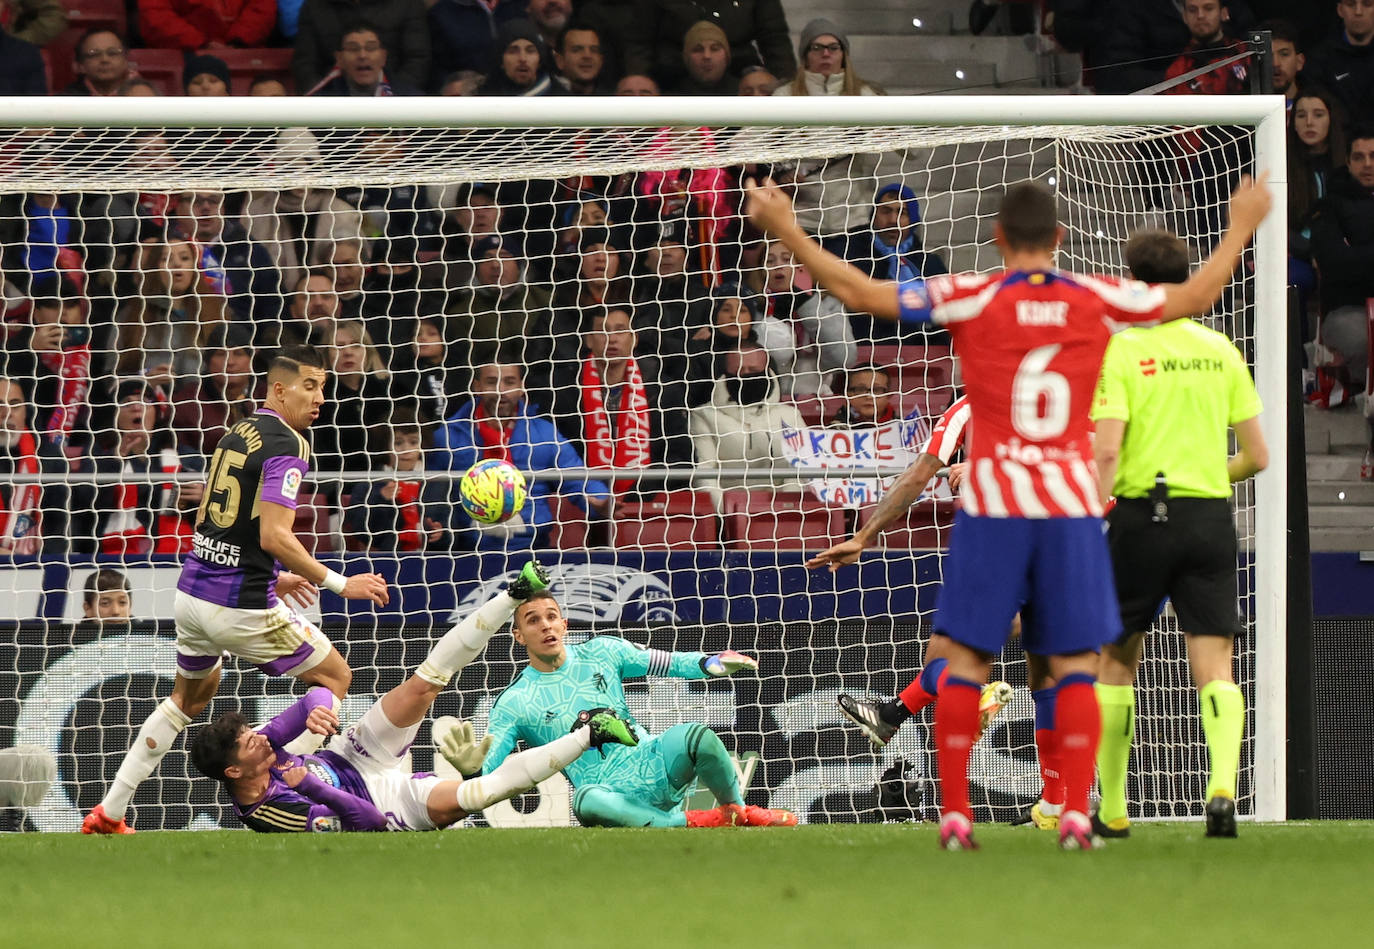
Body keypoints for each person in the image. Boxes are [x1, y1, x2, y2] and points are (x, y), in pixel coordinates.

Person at [744, 170, 1273, 850]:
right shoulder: (1095, 295)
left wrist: (788, 229)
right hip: (1068, 506)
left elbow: (859, 291)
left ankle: (958, 812)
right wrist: (1242, 224)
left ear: (996, 238)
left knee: (963, 658)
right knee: (1076, 662)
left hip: (995, 505)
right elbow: (1197, 294)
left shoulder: (971, 293)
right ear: (1059, 237)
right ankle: (1077, 811)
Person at [82, 347, 391, 835]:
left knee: (188, 700)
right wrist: (338, 582)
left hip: (191, 594)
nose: (320, 398)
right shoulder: (291, 444)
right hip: (238, 605)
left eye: (324, 387)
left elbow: (214, 518)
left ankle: (109, 813)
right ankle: (283, 780)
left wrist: (272, 574)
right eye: (309, 386)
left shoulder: (237, 432)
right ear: (279, 389)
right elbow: (274, 536)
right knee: (334, 678)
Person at [190, 563, 641, 832]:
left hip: (352, 753)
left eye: (256, 734)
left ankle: (512, 594)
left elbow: (321, 692)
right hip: (387, 801)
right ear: (235, 771)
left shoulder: (266, 746)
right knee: (478, 793)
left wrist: (320, 712)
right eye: (252, 743)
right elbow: (364, 822)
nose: (264, 740)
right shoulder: (271, 811)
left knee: (425, 682)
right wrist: (308, 784)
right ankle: (589, 734)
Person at [1090, 230, 1269, 840]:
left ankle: (1112, 808)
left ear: (1135, 285)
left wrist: (1090, 508)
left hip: (1142, 516)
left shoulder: (1124, 351)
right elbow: (1259, 455)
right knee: (1215, 661)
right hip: (1209, 519)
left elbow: (1108, 448)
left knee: (1115, 660)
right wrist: (1204, 476)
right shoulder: (1221, 349)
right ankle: (1222, 789)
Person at [814, 390, 1059, 830]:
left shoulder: (977, 405)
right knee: (1046, 671)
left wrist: (866, 535)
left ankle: (925, 738)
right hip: (1069, 541)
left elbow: (919, 474)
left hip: (1008, 540)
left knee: (953, 661)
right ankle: (1057, 803)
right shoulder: (1058, 395)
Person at [485, 589, 797, 828]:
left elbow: (670, 662)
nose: (545, 625)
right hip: (607, 795)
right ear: (518, 636)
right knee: (585, 799)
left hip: (652, 762)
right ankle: (694, 821)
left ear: (564, 624)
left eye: (551, 616)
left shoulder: (603, 651)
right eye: (533, 620)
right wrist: (470, 767)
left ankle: (736, 811)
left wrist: (710, 663)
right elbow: (484, 775)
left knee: (697, 736)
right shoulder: (514, 702)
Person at [432, 360, 611, 550]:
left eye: (509, 382)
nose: (500, 391)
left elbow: (577, 477)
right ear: (477, 386)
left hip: (534, 549)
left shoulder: (544, 434)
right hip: (468, 552)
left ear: (521, 387)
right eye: (491, 382)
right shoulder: (448, 436)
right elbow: (431, 493)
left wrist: (600, 500)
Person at [72, 379, 206, 557]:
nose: (137, 408)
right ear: (114, 415)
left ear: (157, 413)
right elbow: (83, 501)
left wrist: (204, 497)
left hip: (177, 558)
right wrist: (115, 459)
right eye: (127, 402)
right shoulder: (97, 454)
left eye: (146, 401)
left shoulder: (186, 457)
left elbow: (220, 500)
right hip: (112, 558)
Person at [688, 339, 804, 510]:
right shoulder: (703, 416)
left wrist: (782, 509)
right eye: (739, 370)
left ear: (767, 372)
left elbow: (801, 470)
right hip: (727, 515)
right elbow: (705, 473)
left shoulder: (790, 415)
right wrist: (727, 514)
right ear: (726, 373)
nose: (746, 375)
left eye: (753, 370)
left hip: (784, 513)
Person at [827, 183, 950, 342]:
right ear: (874, 216)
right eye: (886, 211)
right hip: (858, 352)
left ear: (913, 219)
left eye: (902, 212)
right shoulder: (846, 253)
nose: (893, 220)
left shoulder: (930, 265)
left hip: (920, 357)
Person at [623, 0, 794, 91]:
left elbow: (775, 39)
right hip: (672, 80)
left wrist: (787, 89)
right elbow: (639, 41)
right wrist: (640, 85)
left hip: (740, 77)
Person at [344, 411, 453, 553]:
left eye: (413, 442)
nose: (405, 450)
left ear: (423, 445)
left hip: (430, 562)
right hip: (384, 562)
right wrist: (381, 499)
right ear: (386, 446)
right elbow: (360, 531)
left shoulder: (438, 482)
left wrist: (440, 534)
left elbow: (453, 531)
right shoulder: (369, 483)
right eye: (398, 443)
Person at [292, 0, 429, 93]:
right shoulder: (315, 5)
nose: (362, 55)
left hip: (395, 101)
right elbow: (305, 63)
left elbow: (417, 59)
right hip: (333, 102)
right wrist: (323, 102)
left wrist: (395, 97)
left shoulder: (407, 3)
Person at [1303, 0, 1374, 127]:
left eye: (1367, 4)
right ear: (1340, 10)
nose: (1358, 12)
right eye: (1351, 4)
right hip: (1337, 141)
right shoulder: (1320, 60)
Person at [1161, 0, 1251, 96]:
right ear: (1184, 17)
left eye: (1208, 8)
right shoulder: (1177, 70)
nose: (1200, 15)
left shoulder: (1246, 56)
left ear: (1223, 13)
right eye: (1192, 10)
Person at [305, 23, 421, 96]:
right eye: (353, 48)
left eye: (371, 48)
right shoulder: (321, 101)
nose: (362, 55)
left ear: (383, 57)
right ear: (339, 58)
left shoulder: (409, 97)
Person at [138, 0, 276, 52]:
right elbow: (155, 14)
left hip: (244, 51)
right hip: (184, 52)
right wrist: (201, 43)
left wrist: (237, 41)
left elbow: (262, 8)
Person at [481, 18, 556, 96]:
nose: (522, 59)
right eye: (513, 51)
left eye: (530, 51)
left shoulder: (562, 99)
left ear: (540, 60)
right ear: (501, 62)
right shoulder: (481, 100)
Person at [671, 20, 733, 95]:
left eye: (715, 49)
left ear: (727, 55)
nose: (707, 56)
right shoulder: (672, 97)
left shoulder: (743, 93)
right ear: (686, 57)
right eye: (698, 50)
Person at [64, 28, 132, 96]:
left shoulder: (139, 95)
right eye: (94, 54)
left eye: (112, 53)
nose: (105, 60)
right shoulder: (65, 101)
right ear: (81, 66)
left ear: (125, 61)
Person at [552, 23, 610, 94]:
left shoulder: (614, 101)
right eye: (577, 50)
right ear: (559, 61)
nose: (587, 56)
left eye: (594, 50)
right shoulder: (543, 100)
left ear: (601, 60)